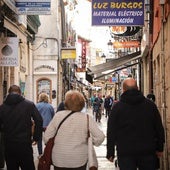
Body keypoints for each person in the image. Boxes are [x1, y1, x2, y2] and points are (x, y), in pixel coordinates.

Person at [106, 78, 165, 170]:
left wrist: (110, 152)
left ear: (123, 90)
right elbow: (158, 127)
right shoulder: (150, 105)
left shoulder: (117, 108)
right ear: (138, 88)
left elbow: (111, 131)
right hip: (147, 151)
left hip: (125, 152)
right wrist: (160, 148)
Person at [44, 90, 105, 170]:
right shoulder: (86, 118)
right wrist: (90, 141)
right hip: (78, 160)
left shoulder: (58, 116)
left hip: (59, 159)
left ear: (65, 103)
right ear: (82, 104)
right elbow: (100, 137)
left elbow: (46, 138)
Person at [0, 85, 43, 170]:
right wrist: (36, 137)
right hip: (25, 144)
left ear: (8, 93)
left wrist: (4, 130)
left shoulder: (2, 107)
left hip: (9, 145)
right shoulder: (29, 105)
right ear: (20, 93)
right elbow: (39, 120)